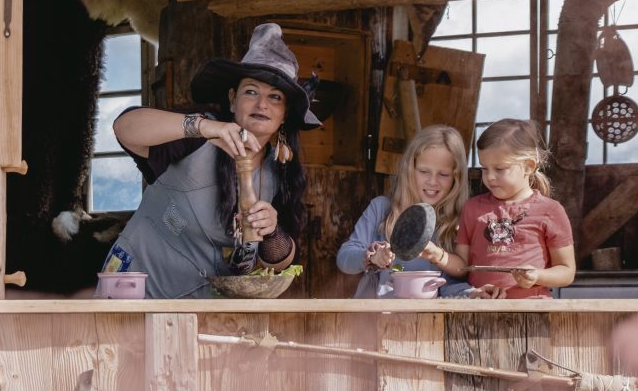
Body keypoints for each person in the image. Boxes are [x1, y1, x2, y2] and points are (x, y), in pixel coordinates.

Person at [104, 23, 322, 299]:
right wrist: (205, 127)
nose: (261, 104)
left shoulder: (280, 171)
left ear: (284, 114)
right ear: (233, 100)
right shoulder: (197, 135)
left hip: (202, 309)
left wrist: (271, 231)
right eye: (251, 92)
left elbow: (279, 262)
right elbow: (125, 128)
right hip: (135, 294)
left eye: (274, 97)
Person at [434, 118, 576, 299]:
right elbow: (462, 267)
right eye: (485, 169)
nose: (490, 177)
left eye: (500, 169)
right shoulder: (472, 208)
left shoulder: (551, 211)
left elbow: (567, 271)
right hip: (478, 313)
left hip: (531, 314)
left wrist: (537, 276)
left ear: (529, 166)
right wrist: (435, 254)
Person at [337, 124, 469, 298]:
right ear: (409, 169)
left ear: (456, 178)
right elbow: (344, 259)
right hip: (374, 319)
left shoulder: (458, 221)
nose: (432, 181)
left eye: (443, 174)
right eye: (424, 171)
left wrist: (471, 293)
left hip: (428, 320)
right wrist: (370, 257)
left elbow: (455, 281)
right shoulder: (382, 208)